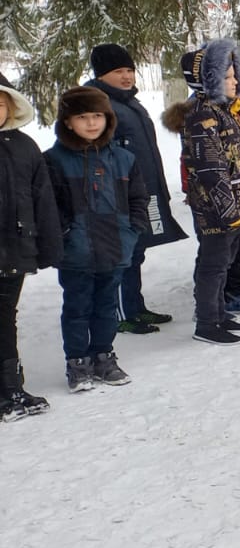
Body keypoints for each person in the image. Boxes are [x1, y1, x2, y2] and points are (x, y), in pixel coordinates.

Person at [164, 41, 240, 345]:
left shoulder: (222, 110)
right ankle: (207, 322)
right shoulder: (202, 116)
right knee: (213, 263)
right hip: (216, 206)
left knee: (225, 259)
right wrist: (227, 209)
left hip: (233, 204)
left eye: (234, 76)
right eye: (227, 77)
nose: (236, 82)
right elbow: (212, 169)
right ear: (209, 80)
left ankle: (219, 312)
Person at [44, 86, 148, 391]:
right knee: (77, 307)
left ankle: (103, 355)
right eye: (82, 117)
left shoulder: (124, 158)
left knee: (106, 306)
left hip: (116, 247)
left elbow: (139, 198)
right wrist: (65, 235)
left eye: (98, 116)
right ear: (67, 122)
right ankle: (77, 362)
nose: (91, 123)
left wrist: (133, 229)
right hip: (76, 252)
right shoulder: (54, 160)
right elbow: (49, 206)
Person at [87, 43, 186, 335]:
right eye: (119, 71)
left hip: (141, 188)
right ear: (102, 74)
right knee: (121, 254)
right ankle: (118, 313)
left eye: (130, 70)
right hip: (117, 193)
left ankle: (135, 307)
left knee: (136, 250)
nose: (127, 76)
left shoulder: (130, 102)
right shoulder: (98, 103)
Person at [0, 75, 62, 416]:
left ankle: (12, 388)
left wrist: (48, 246)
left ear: (10, 106)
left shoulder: (24, 146)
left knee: (6, 317)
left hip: (16, 247)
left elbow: (43, 201)